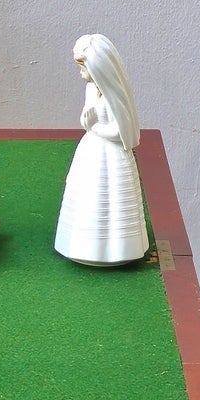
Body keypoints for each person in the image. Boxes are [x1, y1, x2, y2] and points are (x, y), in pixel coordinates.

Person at [54, 34, 149, 265]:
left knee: (111, 201)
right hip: (91, 152)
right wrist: (88, 123)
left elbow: (120, 133)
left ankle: (119, 250)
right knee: (87, 196)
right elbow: (86, 118)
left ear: (97, 66)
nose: (79, 71)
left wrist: (94, 128)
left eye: (81, 65)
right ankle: (82, 247)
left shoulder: (113, 96)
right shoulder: (90, 89)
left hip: (112, 156)